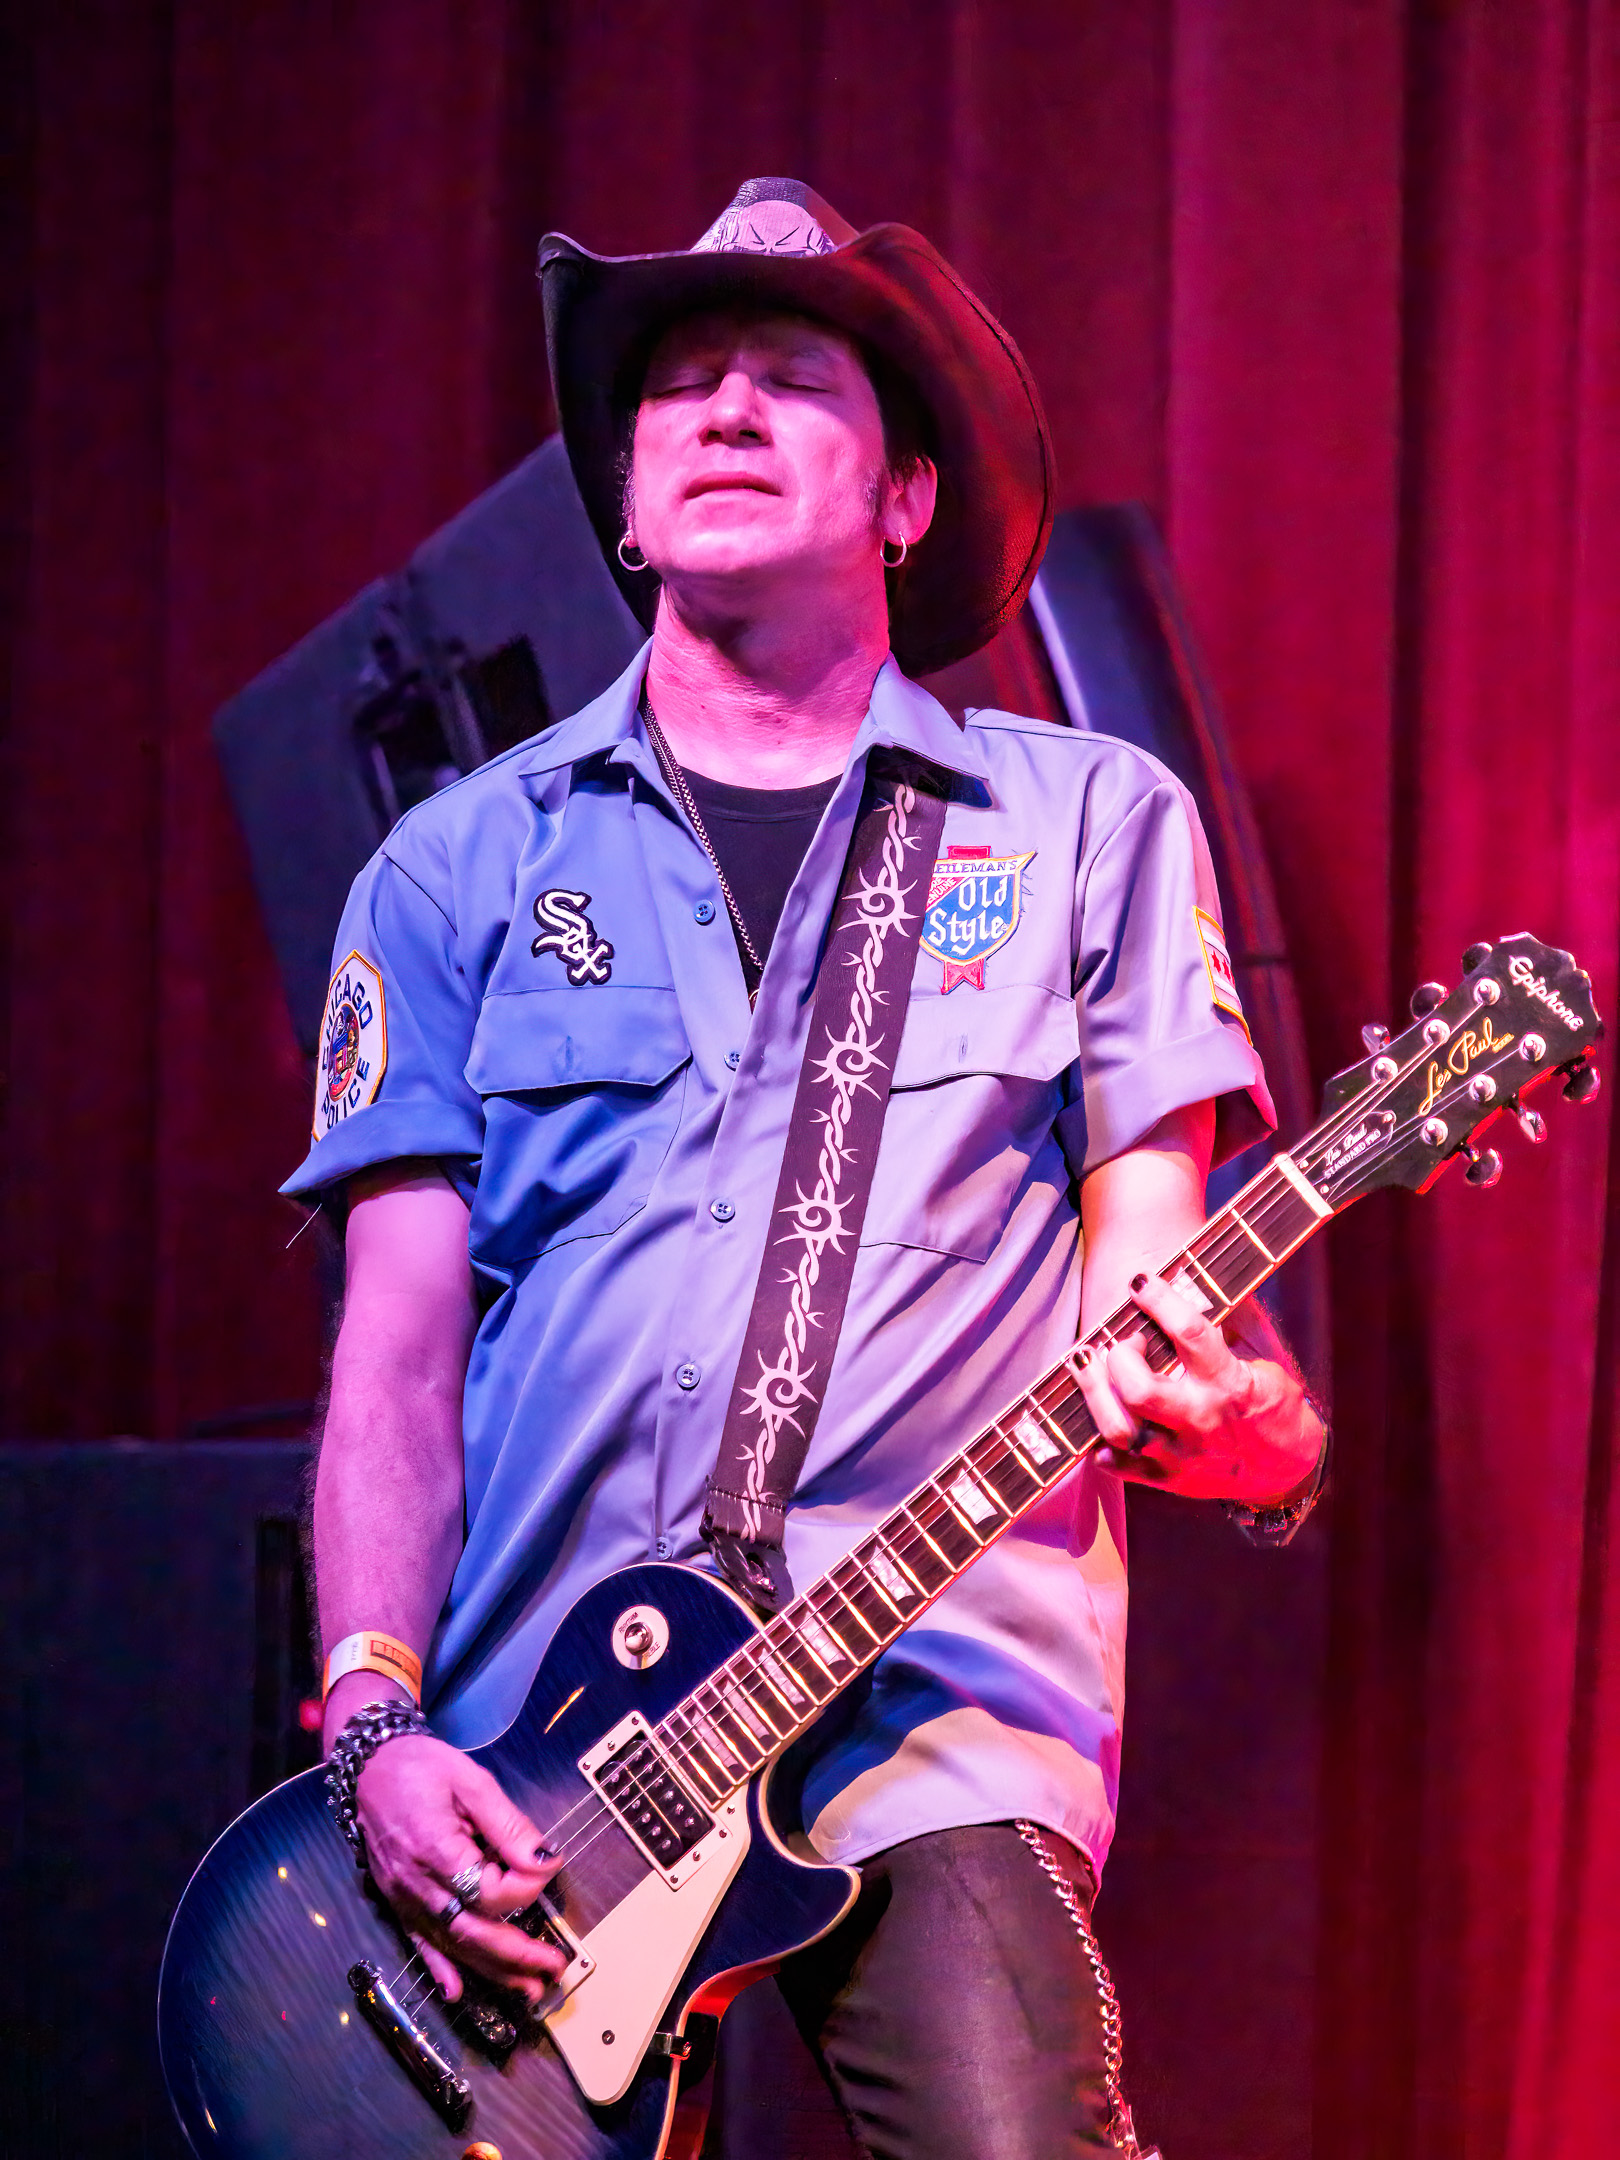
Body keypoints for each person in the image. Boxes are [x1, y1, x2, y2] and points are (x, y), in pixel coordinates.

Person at [286, 177, 1327, 2160]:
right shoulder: (453, 868)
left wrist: (1241, 1423)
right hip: (537, 1754)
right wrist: (375, 1723)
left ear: (907, 497)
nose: (727, 411)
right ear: (623, 501)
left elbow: (1160, 1291)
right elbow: (395, 1362)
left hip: (929, 1696)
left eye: (789, 377)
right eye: (682, 387)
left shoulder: (1087, 827)